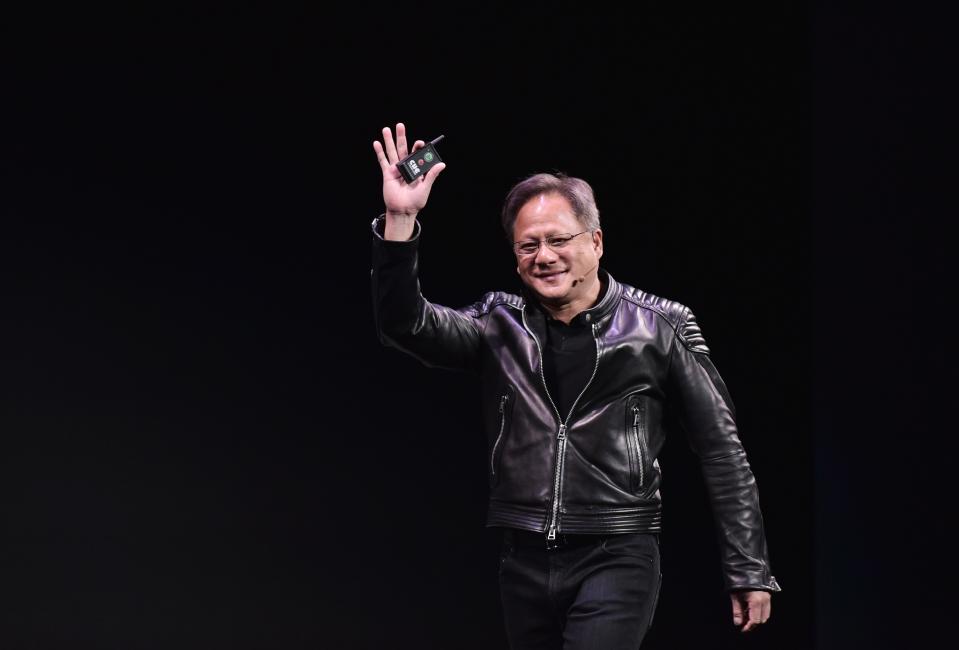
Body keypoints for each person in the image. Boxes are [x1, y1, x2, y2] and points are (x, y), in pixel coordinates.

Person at [370, 123, 780, 649]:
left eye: (559, 240)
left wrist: (748, 567)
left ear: (596, 241)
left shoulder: (659, 327)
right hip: (523, 556)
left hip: (617, 551)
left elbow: (722, 451)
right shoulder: (499, 324)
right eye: (528, 246)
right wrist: (401, 219)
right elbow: (405, 326)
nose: (544, 257)